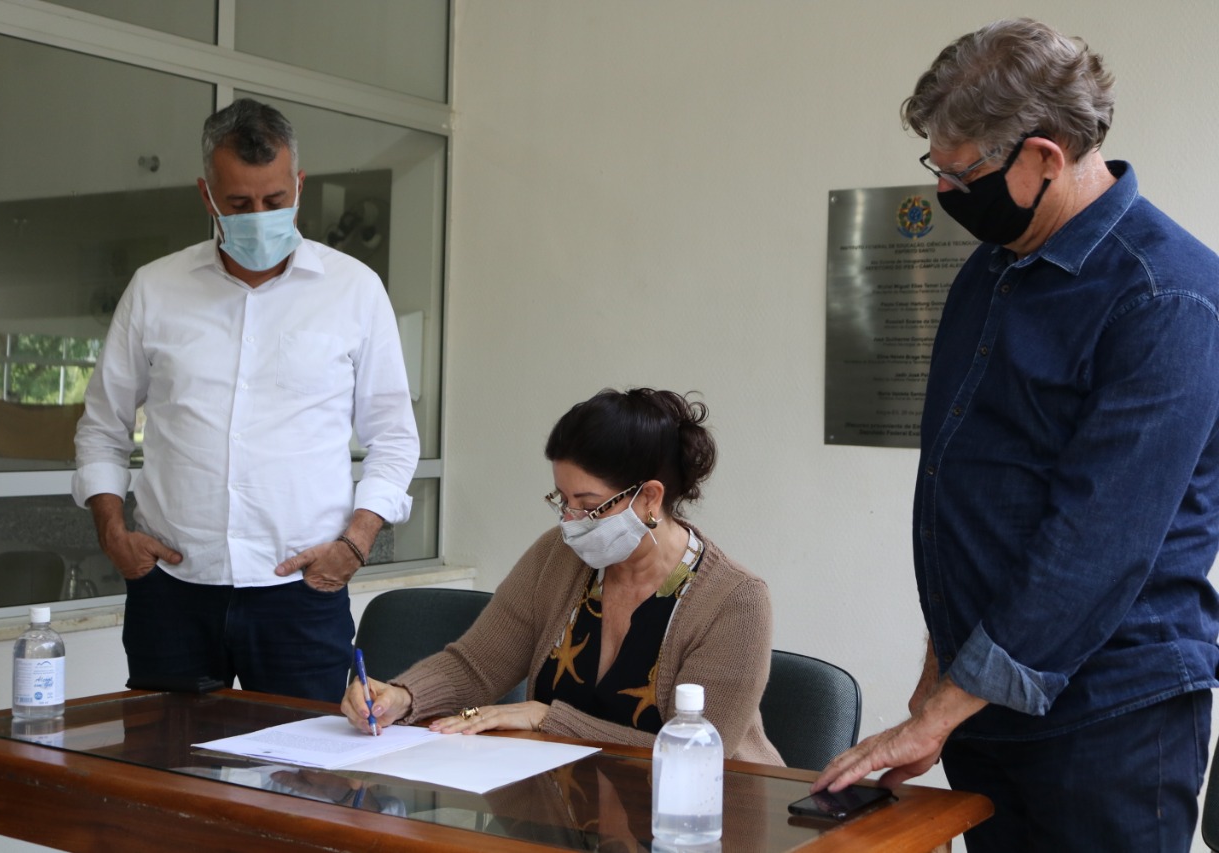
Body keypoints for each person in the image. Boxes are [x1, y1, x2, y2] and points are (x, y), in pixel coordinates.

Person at [813, 19, 1219, 852]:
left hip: (1109, 721)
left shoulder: (1167, 296)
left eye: (961, 172)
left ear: (1043, 155)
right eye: (936, 167)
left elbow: (1095, 542)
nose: (944, 191)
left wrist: (943, 710)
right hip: (987, 707)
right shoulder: (993, 270)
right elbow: (965, 497)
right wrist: (938, 686)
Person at [72, 98, 419, 702]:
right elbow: (103, 426)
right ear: (206, 195)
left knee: (304, 760)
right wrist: (113, 533)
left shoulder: (354, 291)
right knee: (162, 757)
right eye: (238, 204)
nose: (259, 217)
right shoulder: (155, 289)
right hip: (172, 590)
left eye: (274, 199)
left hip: (303, 592)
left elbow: (392, 435)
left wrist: (356, 543)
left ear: (299, 186)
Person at [342, 388, 781, 763]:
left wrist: (547, 719)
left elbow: (697, 754)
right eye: (563, 499)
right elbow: (477, 664)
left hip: (701, 815)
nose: (571, 521)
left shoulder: (734, 601)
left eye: (589, 505)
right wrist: (404, 696)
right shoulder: (558, 556)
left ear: (650, 497)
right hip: (565, 804)